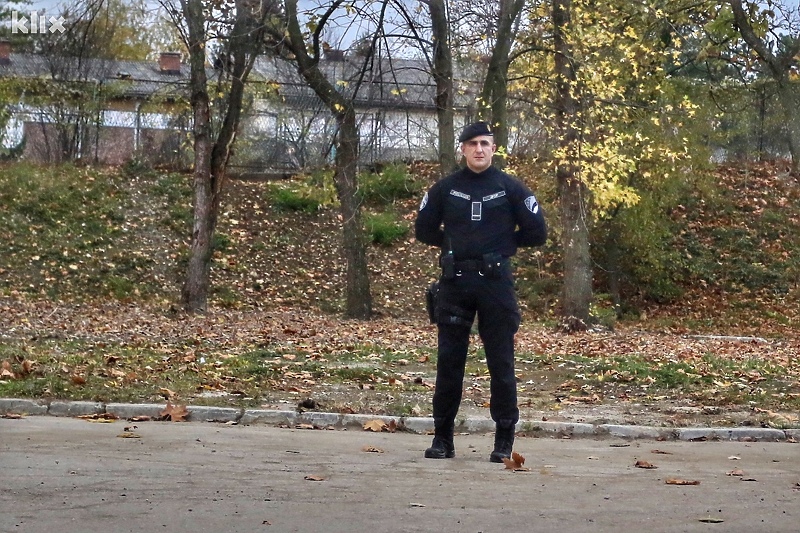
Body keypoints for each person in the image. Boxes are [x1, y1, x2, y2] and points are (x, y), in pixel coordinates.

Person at [414, 121, 547, 462]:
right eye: (472, 143)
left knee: (501, 364)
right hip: (455, 284)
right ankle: (442, 439)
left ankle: (503, 440)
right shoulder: (445, 189)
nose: (478, 149)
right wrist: (453, 245)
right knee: (449, 364)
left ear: (494, 148)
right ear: (462, 149)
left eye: (485, 143)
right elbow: (424, 229)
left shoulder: (510, 188)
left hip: (495, 284)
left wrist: (502, 244)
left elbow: (537, 232)